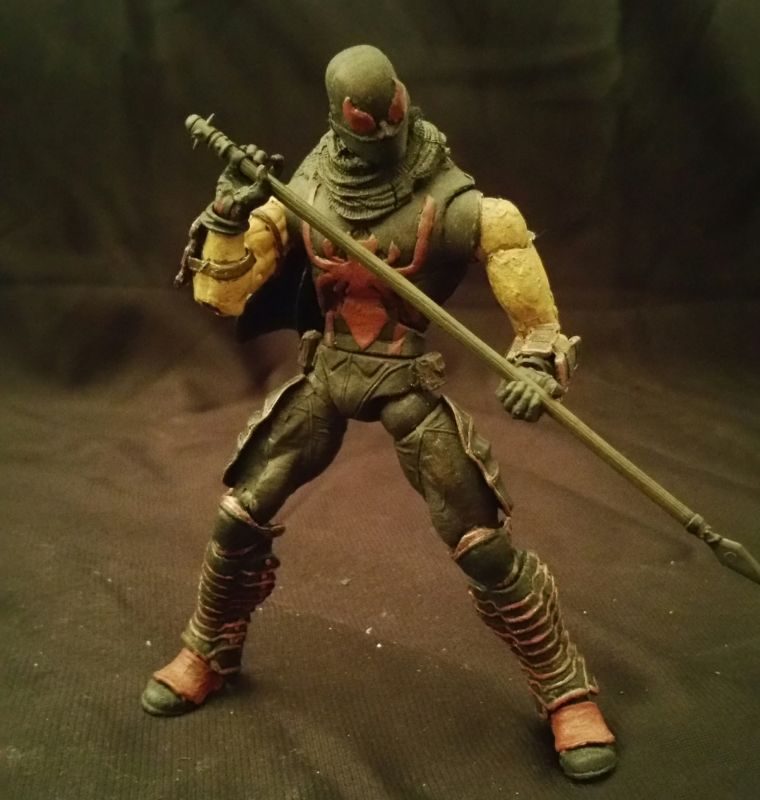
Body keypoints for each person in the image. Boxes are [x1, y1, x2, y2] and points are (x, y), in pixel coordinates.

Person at [142, 44, 617, 781]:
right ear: (340, 122)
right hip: (326, 373)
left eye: (391, 123)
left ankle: (565, 690)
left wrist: (534, 367)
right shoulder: (300, 192)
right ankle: (209, 649)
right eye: (368, 129)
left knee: (481, 543)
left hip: (404, 384)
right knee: (239, 515)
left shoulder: (462, 208)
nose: (386, 138)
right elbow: (222, 296)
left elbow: (535, 321)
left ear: (402, 105)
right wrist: (229, 218)